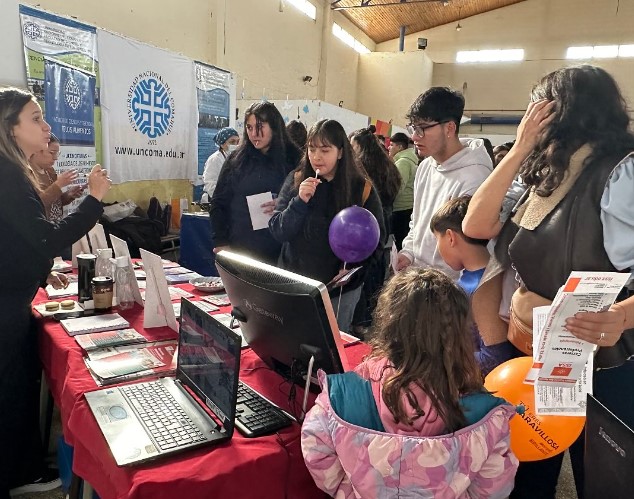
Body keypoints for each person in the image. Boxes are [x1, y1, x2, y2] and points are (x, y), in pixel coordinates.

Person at [462, 65, 634, 498]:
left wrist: (623, 314)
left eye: (538, 106)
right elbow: (476, 224)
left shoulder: (620, 174)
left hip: (603, 361)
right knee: (527, 472)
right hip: (537, 351)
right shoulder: (546, 172)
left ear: (564, 111)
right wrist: (520, 148)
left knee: (604, 479)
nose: (529, 116)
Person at [301, 267, 519, 498]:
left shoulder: (337, 400)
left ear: (388, 323)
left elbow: (316, 452)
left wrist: (350, 492)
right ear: (459, 334)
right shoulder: (488, 417)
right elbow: (494, 488)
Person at [0, 87, 111, 497]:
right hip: (5, 304)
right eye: (35, 119)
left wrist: (42, 273)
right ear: (10, 129)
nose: (46, 127)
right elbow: (45, 238)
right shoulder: (8, 174)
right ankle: (17, 475)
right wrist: (95, 199)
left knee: (17, 387)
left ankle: (21, 468)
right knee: (9, 391)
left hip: (15, 295)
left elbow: (17, 241)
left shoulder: (13, 171)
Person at [269, 119, 385, 333]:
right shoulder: (297, 180)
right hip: (294, 286)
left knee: (332, 352)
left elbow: (377, 241)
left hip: (338, 292)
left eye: (325, 149)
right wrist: (299, 202)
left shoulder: (361, 188)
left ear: (340, 152)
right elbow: (277, 230)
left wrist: (353, 271)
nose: (317, 157)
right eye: (312, 149)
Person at [395, 87, 493, 280]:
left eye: (422, 128)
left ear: (449, 128)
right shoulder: (425, 167)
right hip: (419, 277)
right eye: (413, 128)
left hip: (448, 287)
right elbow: (417, 221)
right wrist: (408, 253)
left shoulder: (475, 177)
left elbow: (472, 250)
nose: (414, 137)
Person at [430, 196, 519, 376]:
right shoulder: (482, 277)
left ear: (450, 237)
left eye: (436, 240)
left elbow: (495, 358)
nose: (437, 249)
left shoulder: (483, 287)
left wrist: (442, 361)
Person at [210, 102, 301, 265]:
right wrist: (221, 242)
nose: (254, 134)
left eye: (260, 126)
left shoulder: (294, 159)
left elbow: (307, 201)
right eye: (249, 127)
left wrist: (284, 203)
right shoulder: (237, 159)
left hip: (281, 253)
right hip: (241, 250)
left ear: (274, 126)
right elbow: (218, 202)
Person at [349, 125, 400, 330]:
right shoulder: (387, 165)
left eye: (352, 145)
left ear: (360, 147)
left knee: (365, 275)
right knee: (378, 270)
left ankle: (361, 320)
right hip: (385, 220)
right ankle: (371, 316)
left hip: (369, 224)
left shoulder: (362, 170)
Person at [30, 134, 83, 220]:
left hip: (56, 226)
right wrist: (58, 185)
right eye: (51, 153)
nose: (55, 158)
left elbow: (55, 203)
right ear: (36, 150)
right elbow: (36, 205)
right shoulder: (28, 174)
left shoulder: (50, 171)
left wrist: (69, 195)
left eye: (57, 153)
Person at [387, 132, 418, 250]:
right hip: (407, 207)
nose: (389, 147)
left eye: (392, 145)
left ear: (399, 147)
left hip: (401, 209)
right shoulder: (409, 160)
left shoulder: (403, 162)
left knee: (399, 244)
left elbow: (397, 187)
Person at [202, 127, 239, 197]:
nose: (236, 145)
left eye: (237, 142)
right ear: (222, 144)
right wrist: (223, 198)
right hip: (215, 199)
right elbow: (210, 184)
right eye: (232, 142)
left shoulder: (235, 158)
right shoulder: (215, 159)